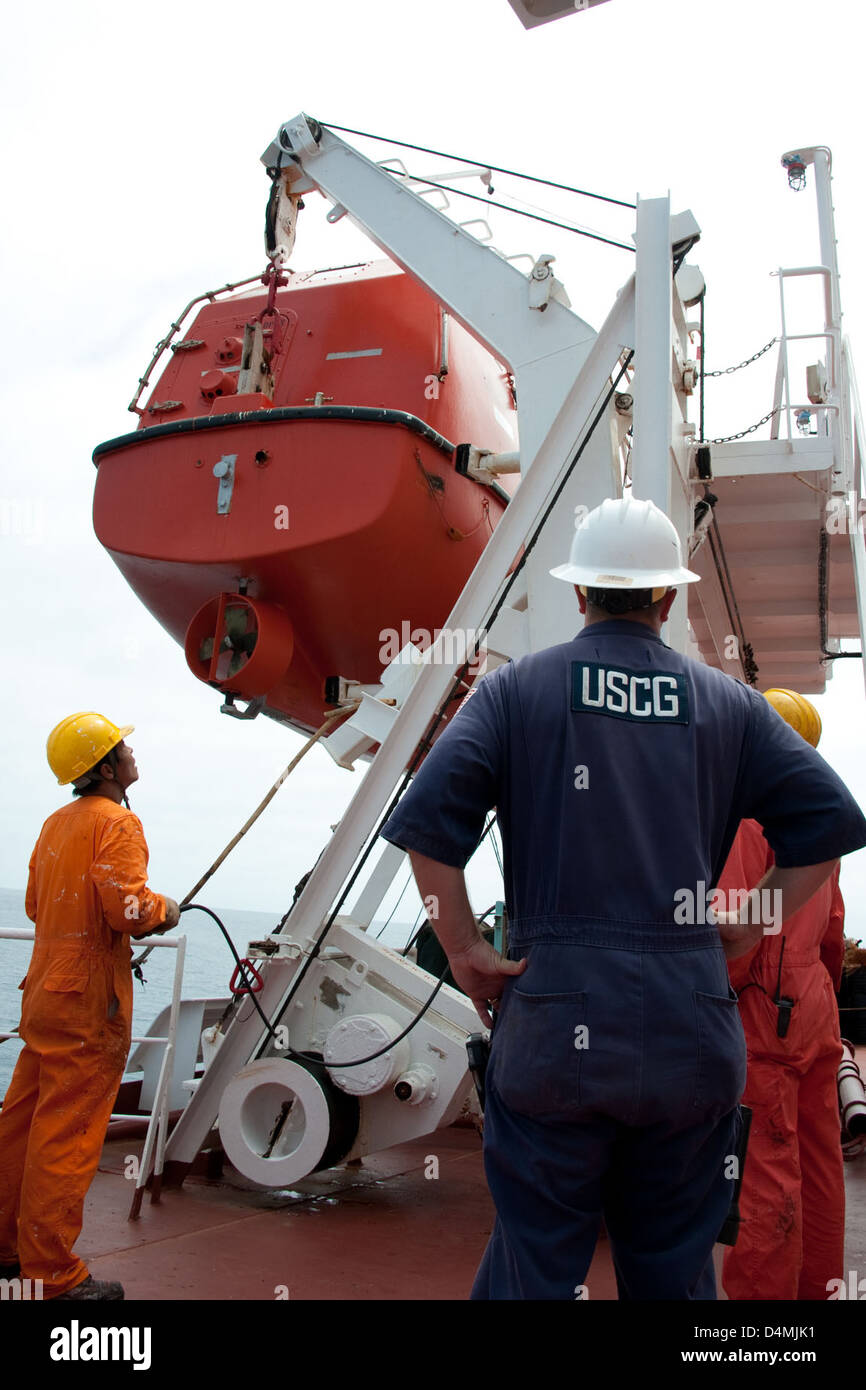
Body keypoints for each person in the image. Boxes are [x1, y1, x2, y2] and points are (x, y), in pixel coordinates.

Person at [380, 494, 866, 1300]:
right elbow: (832, 823)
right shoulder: (730, 706)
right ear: (669, 597)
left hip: (554, 1024)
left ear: (578, 593)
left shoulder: (513, 694)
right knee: (675, 1268)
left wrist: (466, 952)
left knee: (532, 1263)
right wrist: (747, 925)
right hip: (692, 1028)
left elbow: (429, 832)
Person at [0, 712, 180, 1300]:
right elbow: (126, 911)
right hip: (87, 1004)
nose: (131, 754)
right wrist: (165, 910)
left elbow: (33, 905)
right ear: (106, 768)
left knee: (22, 1125)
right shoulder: (118, 825)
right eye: (121, 748)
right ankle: (50, 1277)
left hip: (43, 992)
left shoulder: (56, 823)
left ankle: (6, 1250)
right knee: (67, 1135)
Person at [718, 689, 847, 1301]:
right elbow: (832, 935)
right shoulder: (821, 822)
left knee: (763, 1175)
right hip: (815, 1012)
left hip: (766, 1016)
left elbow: (731, 930)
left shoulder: (747, 816)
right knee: (820, 1168)